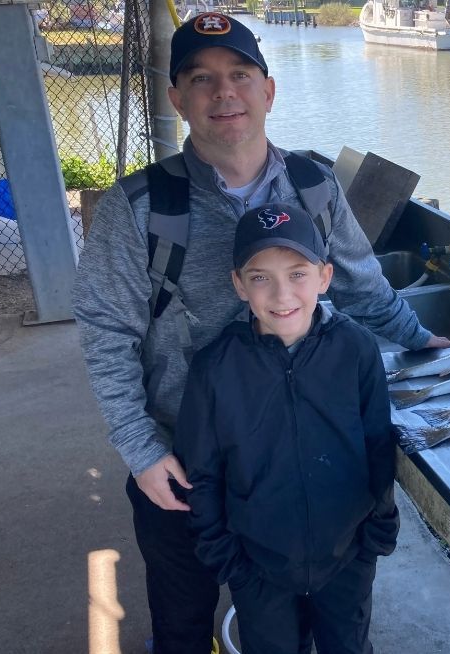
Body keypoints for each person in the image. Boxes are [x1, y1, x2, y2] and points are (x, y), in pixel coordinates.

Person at [72, 12, 450, 653]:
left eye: (240, 75)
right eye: (202, 78)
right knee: (183, 622)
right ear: (177, 98)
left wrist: (419, 337)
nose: (225, 93)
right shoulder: (137, 209)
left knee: (303, 621)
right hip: (186, 461)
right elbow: (106, 333)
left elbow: (362, 286)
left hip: (294, 461)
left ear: (268, 91)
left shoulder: (315, 187)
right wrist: (141, 451)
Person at [174, 202, 396, 654]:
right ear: (239, 284)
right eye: (260, 277)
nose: (281, 295)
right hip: (258, 567)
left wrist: (375, 534)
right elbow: (203, 473)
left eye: (297, 273)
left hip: (347, 557)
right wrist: (229, 562)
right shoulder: (212, 369)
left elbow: (378, 443)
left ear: (325, 277)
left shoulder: (356, 348)